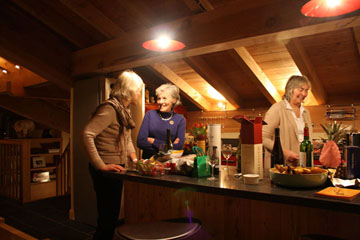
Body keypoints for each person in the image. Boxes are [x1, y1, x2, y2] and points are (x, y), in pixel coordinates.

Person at [82, 70, 143, 240]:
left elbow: (126, 138)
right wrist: (100, 165)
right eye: (138, 90)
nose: (139, 93)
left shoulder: (123, 110)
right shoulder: (110, 109)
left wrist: (135, 159)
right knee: (107, 217)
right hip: (106, 168)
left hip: (116, 167)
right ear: (129, 91)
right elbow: (87, 134)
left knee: (111, 215)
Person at [262, 75, 313, 170]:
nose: (304, 94)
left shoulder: (306, 112)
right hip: (281, 167)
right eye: (301, 89)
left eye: (306, 91)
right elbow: (263, 138)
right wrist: (283, 152)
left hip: (303, 167)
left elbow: (303, 138)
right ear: (290, 89)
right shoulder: (277, 109)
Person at [137, 83, 186, 159]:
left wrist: (153, 141)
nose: (160, 102)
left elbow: (178, 147)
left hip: (169, 164)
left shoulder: (180, 119)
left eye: (164, 98)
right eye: (159, 98)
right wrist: (168, 148)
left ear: (174, 100)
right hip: (149, 163)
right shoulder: (150, 114)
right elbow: (140, 142)